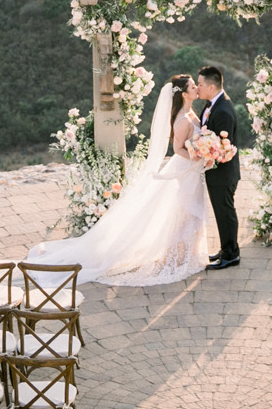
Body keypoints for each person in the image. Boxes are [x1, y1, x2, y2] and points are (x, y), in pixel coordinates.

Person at [25, 75, 213, 286]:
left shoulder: (191, 112)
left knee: (192, 213)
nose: (197, 88)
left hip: (192, 171)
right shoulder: (182, 120)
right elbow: (178, 149)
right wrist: (198, 157)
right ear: (185, 94)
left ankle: (193, 254)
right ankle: (176, 258)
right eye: (193, 86)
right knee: (185, 213)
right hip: (185, 171)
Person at [195, 65, 242, 270]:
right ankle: (226, 249)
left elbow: (223, 147)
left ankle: (231, 254)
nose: (198, 88)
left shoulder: (223, 110)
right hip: (216, 172)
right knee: (222, 213)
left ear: (212, 87)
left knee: (226, 213)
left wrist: (202, 152)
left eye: (200, 84)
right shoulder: (211, 104)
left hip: (223, 172)